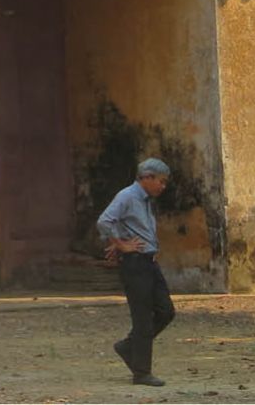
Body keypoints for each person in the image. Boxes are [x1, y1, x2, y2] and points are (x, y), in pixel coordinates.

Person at [97, 158, 175, 388]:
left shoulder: (145, 200)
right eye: (160, 181)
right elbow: (105, 221)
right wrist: (120, 245)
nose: (163, 186)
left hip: (149, 261)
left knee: (166, 311)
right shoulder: (127, 196)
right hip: (135, 264)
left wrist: (118, 240)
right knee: (142, 318)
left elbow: (125, 224)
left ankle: (128, 347)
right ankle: (142, 372)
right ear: (147, 177)